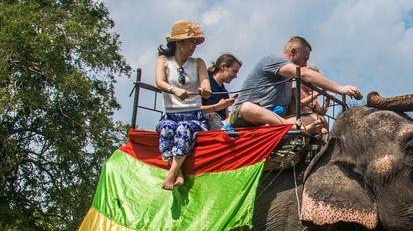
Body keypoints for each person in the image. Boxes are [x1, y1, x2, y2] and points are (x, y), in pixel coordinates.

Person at [229, 36, 360, 135]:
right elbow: (303, 73)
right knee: (248, 108)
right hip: (245, 117)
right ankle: (295, 128)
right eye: (305, 58)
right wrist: (340, 88)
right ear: (293, 52)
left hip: (275, 121)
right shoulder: (274, 60)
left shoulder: (289, 80)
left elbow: (295, 108)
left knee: (319, 119)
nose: (305, 63)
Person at [154, 20, 212, 190]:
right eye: (191, 41)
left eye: (195, 42)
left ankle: (171, 175)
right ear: (179, 42)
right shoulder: (163, 60)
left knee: (183, 129)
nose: (194, 46)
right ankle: (177, 171)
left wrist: (205, 90)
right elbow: (159, 82)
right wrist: (174, 90)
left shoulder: (198, 63)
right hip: (170, 114)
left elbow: (205, 82)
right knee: (166, 128)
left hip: (193, 116)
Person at [203, 53, 241, 131]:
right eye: (234, 71)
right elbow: (195, 109)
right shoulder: (204, 83)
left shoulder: (225, 93)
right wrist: (218, 106)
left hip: (221, 127)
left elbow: (227, 117)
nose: (235, 76)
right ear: (223, 66)